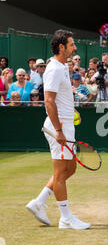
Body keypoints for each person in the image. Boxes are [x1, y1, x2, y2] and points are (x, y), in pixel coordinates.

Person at [26, 29, 90, 230]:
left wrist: (71, 111)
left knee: (70, 168)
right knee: (61, 172)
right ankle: (66, 218)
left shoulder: (62, 67)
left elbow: (59, 97)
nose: (75, 47)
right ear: (61, 47)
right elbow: (48, 101)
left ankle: (39, 202)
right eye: (71, 44)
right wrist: (59, 130)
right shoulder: (54, 69)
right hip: (59, 127)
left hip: (66, 124)